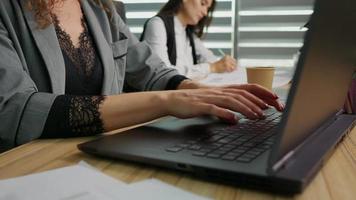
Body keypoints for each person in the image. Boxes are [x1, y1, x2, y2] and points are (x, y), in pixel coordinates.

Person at [0, 0, 283, 152]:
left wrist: (192, 88)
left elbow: (149, 66)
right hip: (31, 162)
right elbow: (13, 108)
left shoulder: (101, 8)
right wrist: (166, 100)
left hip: (97, 152)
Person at [141, 0, 237, 80]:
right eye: (203, 3)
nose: (205, 13)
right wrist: (212, 67)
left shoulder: (188, 33)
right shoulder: (157, 25)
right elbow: (163, 75)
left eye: (208, 8)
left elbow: (210, 58)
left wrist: (222, 64)